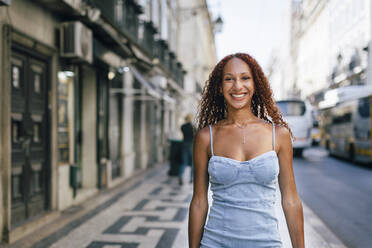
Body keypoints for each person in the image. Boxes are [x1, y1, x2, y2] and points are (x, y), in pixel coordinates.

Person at [188, 53, 304, 248]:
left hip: (267, 243)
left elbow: (291, 199)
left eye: (245, 78)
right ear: (219, 87)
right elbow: (199, 201)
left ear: (255, 84)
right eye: (229, 79)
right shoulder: (206, 137)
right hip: (214, 243)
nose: (237, 86)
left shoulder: (279, 135)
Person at [178, 113, 195, 185]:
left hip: (184, 144)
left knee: (184, 162)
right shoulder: (193, 127)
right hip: (191, 145)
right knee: (192, 163)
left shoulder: (183, 126)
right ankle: (191, 178)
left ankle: (180, 175)